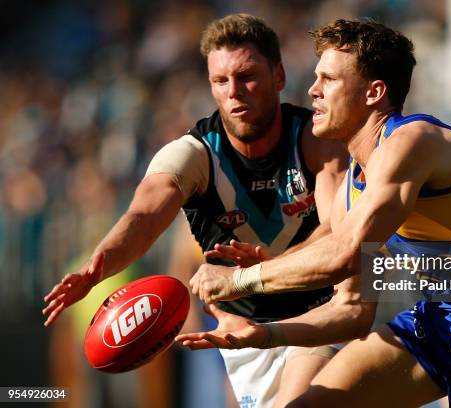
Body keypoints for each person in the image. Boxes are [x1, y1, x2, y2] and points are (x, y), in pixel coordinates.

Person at [180, 19, 451, 407]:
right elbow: (351, 309)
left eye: (328, 79)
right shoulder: (354, 182)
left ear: (373, 92)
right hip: (440, 325)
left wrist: (241, 280)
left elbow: (345, 253)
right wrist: (264, 334)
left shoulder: (413, 142)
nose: (313, 90)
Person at [42, 13, 349, 408]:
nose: (234, 92)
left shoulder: (315, 140)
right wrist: (99, 264)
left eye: (247, 76)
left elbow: (341, 232)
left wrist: (265, 270)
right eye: (221, 81)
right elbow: (144, 215)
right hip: (241, 331)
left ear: (279, 76)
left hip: (317, 317)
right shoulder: (194, 154)